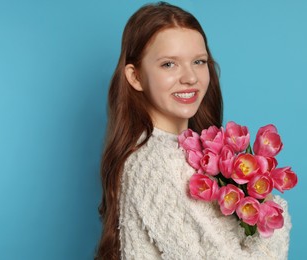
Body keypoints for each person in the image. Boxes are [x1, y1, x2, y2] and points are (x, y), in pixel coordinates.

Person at [96, 2, 291, 259]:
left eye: (199, 61)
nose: (190, 77)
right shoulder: (159, 161)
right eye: (169, 64)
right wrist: (271, 210)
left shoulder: (173, 153)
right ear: (135, 77)